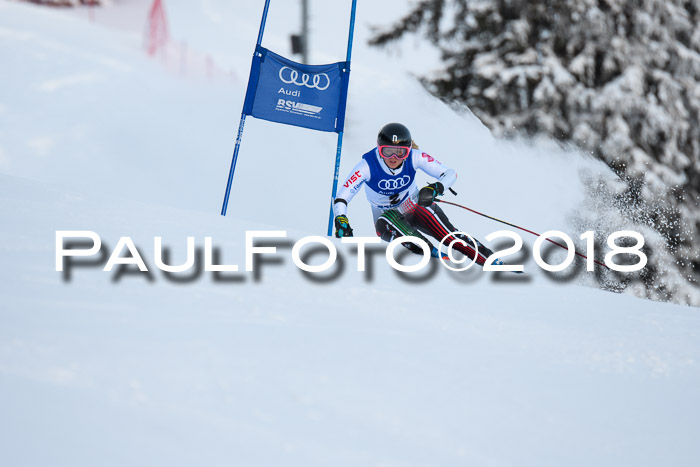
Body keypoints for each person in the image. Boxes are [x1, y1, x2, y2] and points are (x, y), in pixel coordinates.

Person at [333, 122, 498, 266]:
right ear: (379, 148)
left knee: (449, 236)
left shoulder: (415, 157)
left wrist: (435, 188)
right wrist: (341, 218)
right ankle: (431, 254)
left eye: (400, 152)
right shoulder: (367, 165)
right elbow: (342, 196)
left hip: (412, 206)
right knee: (388, 219)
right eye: (387, 151)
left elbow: (450, 173)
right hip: (385, 220)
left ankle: (492, 261)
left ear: (408, 150)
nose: (393, 157)